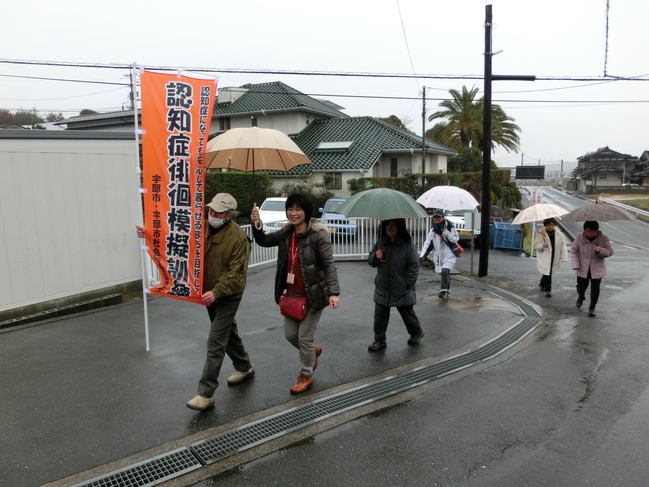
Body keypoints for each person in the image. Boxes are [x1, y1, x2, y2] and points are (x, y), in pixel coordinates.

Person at [136, 193, 255, 412]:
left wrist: (217, 291)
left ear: (229, 215)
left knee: (216, 340)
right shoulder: (203, 227)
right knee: (227, 333)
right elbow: (176, 238)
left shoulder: (238, 238)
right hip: (208, 292)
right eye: (211, 210)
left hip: (227, 294)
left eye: (218, 212)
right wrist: (150, 234)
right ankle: (244, 366)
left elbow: (237, 275)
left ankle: (205, 393)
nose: (212, 215)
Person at [251, 193, 340, 394]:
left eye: (298, 209)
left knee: (305, 337)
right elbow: (263, 240)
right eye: (290, 209)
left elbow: (329, 265)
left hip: (314, 295)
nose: (293, 213)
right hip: (292, 296)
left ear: (306, 212)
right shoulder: (285, 234)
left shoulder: (318, 236)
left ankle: (305, 375)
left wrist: (333, 292)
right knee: (291, 335)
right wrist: (257, 223)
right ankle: (314, 351)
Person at [367, 219, 424, 352]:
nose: (389, 227)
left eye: (393, 225)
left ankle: (416, 332)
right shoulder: (381, 243)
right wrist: (375, 256)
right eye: (387, 225)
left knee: (407, 313)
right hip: (382, 287)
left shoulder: (407, 246)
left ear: (400, 228)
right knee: (380, 315)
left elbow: (414, 267)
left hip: (401, 287)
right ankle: (379, 340)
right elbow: (371, 260)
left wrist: (406, 285)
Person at [571, 220, 613, 317]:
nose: (589, 233)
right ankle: (581, 297)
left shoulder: (603, 238)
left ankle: (592, 307)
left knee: (595, 290)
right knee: (581, 287)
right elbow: (574, 251)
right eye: (587, 231)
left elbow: (610, 252)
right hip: (582, 267)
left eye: (592, 231)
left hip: (597, 268)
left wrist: (600, 250)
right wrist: (576, 265)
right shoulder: (579, 238)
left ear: (597, 231)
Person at [419, 210, 460, 299]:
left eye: (438, 217)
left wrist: (446, 232)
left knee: (445, 270)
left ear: (443, 217)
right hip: (439, 255)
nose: (437, 219)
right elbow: (428, 243)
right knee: (444, 272)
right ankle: (448, 290)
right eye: (435, 217)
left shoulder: (450, 227)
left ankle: (443, 291)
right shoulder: (433, 230)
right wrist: (423, 255)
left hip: (449, 254)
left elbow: (455, 240)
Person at [533, 217, 568, 298]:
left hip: (555, 256)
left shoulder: (559, 234)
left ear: (554, 225)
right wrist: (542, 245)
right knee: (548, 273)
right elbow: (535, 245)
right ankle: (548, 290)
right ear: (545, 225)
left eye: (552, 225)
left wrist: (564, 257)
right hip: (545, 256)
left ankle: (542, 284)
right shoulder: (541, 234)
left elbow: (563, 246)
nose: (550, 227)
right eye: (548, 225)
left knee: (548, 272)